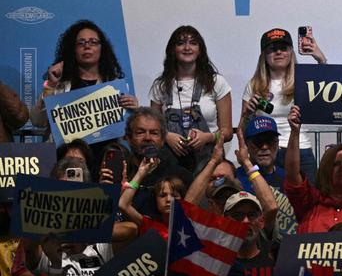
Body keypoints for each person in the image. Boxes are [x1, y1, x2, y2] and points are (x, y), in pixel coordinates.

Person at [241, 28, 323, 180]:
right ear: (264, 55)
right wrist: (247, 114)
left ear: (291, 52)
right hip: (266, 152)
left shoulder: (303, 80)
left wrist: (320, 59)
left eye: (283, 48)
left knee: (305, 201)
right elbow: (242, 130)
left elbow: (328, 89)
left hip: (300, 148)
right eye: (272, 49)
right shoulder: (254, 85)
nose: (278, 52)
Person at [149, 25, 233, 172]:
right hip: (171, 163)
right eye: (181, 43)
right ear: (172, 50)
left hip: (209, 161)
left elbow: (227, 132)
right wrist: (167, 136)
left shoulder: (216, 82)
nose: (187, 47)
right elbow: (152, 128)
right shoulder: (161, 86)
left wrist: (207, 137)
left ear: (200, 50)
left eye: (193, 43)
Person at [38, 20, 138, 139]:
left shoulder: (114, 85)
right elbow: (38, 121)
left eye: (93, 42)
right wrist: (50, 85)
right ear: (73, 50)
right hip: (65, 155)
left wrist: (134, 112)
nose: (87, 46)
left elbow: (124, 131)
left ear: (102, 48)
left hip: (105, 152)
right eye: (81, 43)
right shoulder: (59, 83)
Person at [236, 113, 298, 236]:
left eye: (270, 141)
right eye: (258, 142)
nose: (264, 147)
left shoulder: (288, 178)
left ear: (277, 143)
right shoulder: (237, 178)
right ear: (247, 145)